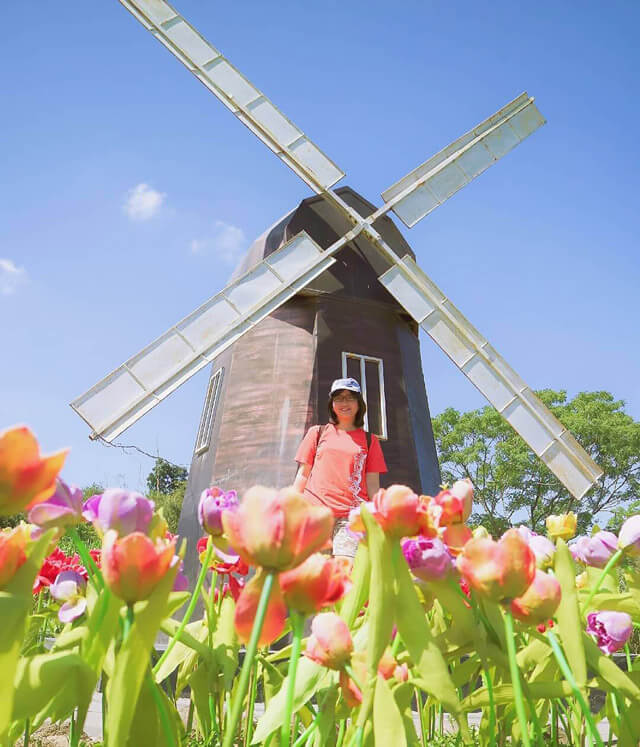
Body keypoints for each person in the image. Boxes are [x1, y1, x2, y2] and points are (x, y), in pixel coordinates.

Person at [293, 377, 387, 557]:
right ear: (332, 404)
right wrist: (290, 506)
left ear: (359, 403)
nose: (345, 403)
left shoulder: (370, 440)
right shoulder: (317, 433)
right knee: (316, 574)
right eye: (339, 398)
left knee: (346, 570)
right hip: (316, 514)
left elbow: (373, 484)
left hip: (351, 518)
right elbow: (303, 475)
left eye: (350, 397)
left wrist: (379, 516)